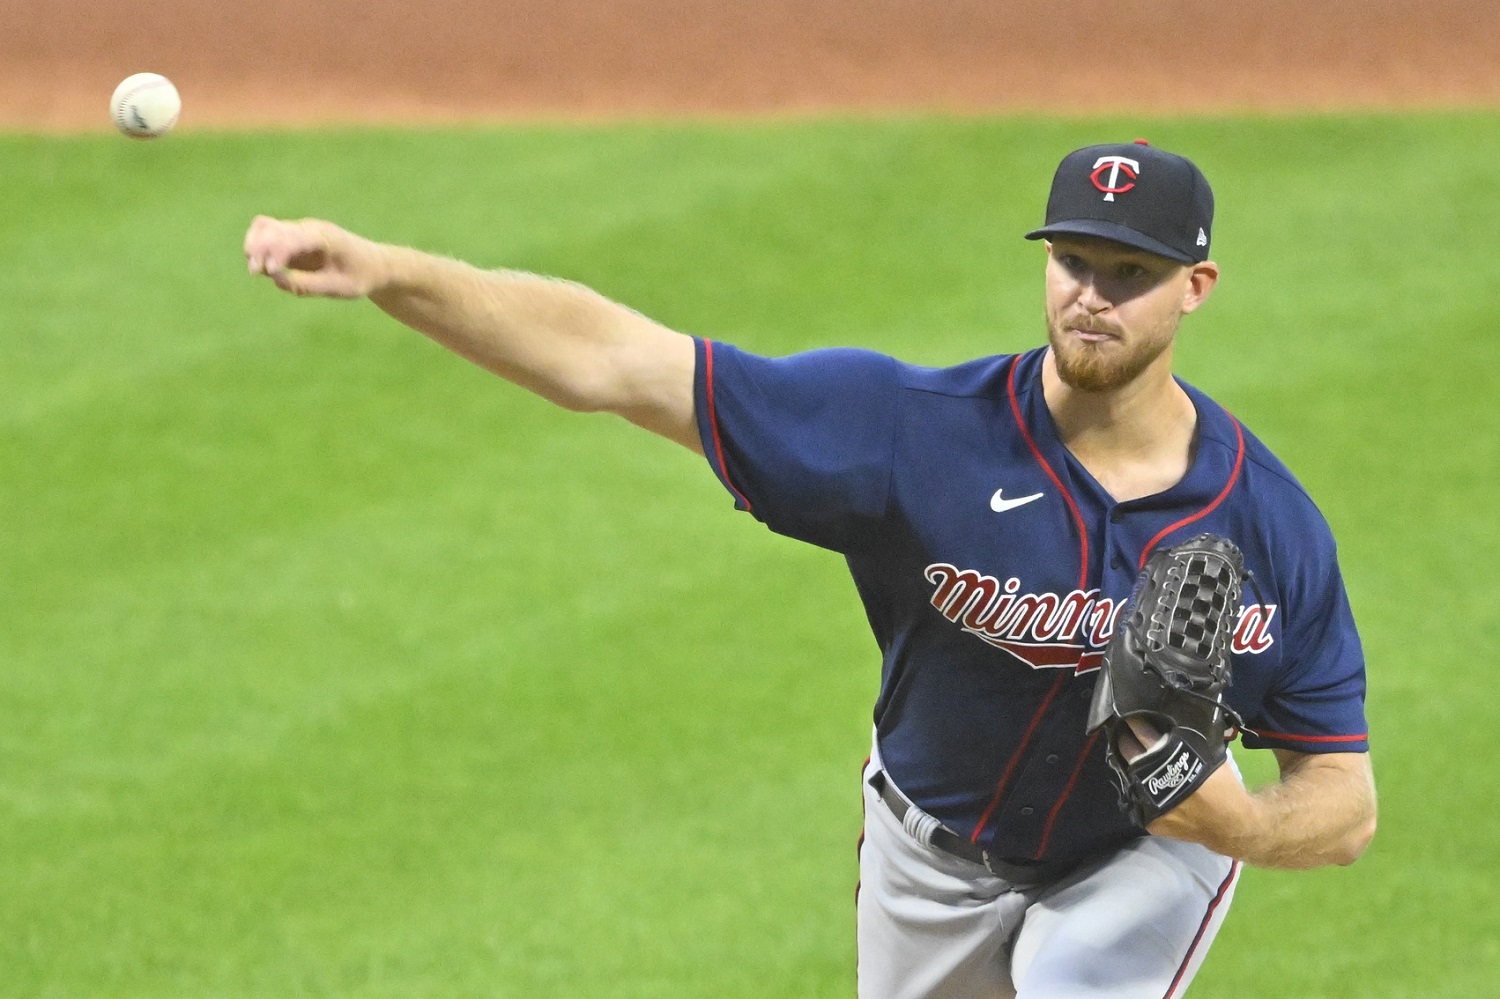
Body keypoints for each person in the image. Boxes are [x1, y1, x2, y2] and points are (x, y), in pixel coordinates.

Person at [244, 139, 1376, 998]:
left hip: (1138, 855)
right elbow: (614, 359)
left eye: (1128, 271)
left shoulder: (1267, 526)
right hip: (927, 847)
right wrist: (390, 269)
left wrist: (1233, 827)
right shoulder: (907, 430)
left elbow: (1344, 802)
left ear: (1195, 286)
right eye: (1074, 260)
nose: (1091, 292)